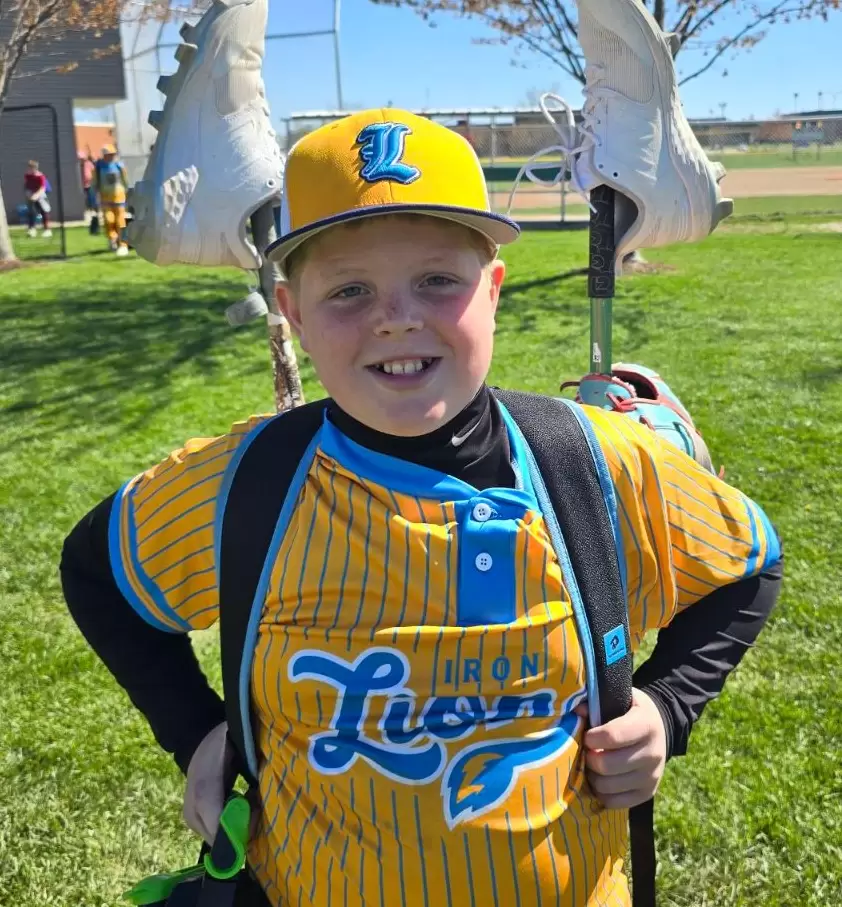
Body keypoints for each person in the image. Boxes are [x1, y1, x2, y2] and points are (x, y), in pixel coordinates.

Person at [61, 109, 783, 907]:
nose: (397, 316)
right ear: (293, 313)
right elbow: (96, 572)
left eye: (438, 280)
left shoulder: (592, 460)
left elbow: (747, 561)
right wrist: (196, 729)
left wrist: (665, 706)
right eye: (349, 290)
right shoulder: (247, 481)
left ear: (493, 291)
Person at [94, 143, 130, 256]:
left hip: (119, 197)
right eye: (109, 154)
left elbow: (125, 180)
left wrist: (128, 192)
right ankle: (112, 239)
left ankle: (123, 244)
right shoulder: (99, 166)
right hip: (105, 198)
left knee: (120, 221)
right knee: (109, 220)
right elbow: (95, 182)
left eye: (113, 154)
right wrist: (94, 195)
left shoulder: (119, 165)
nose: (111, 156)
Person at [23, 160, 52, 238]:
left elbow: (42, 188)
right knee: (31, 212)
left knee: (44, 211)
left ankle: (47, 230)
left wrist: (36, 195)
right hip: (31, 195)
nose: (30, 169)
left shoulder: (40, 176)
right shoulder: (27, 176)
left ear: (35, 168)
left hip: (40, 195)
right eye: (29, 168)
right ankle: (32, 230)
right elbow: (27, 185)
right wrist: (29, 194)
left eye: (31, 168)